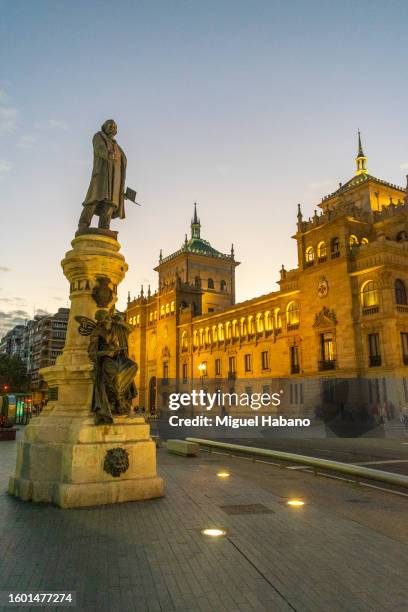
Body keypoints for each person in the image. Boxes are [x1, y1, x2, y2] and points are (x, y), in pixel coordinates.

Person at [88, 310, 138, 424]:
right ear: (100, 320)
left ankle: (120, 395)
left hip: (119, 357)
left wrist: (122, 322)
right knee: (115, 372)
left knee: (133, 366)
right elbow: (92, 353)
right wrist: (106, 353)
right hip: (106, 359)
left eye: (108, 318)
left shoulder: (117, 328)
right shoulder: (97, 331)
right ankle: (118, 398)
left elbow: (132, 329)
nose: (107, 320)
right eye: (104, 319)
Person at [78, 119, 127, 230]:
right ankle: (83, 225)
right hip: (102, 176)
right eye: (110, 126)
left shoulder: (118, 147)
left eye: (114, 127)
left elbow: (123, 162)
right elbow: (99, 149)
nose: (112, 128)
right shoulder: (98, 136)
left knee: (110, 204)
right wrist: (109, 155)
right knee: (94, 199)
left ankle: (104, 228)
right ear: (104, 127)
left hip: (115, 180)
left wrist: (121, 189)